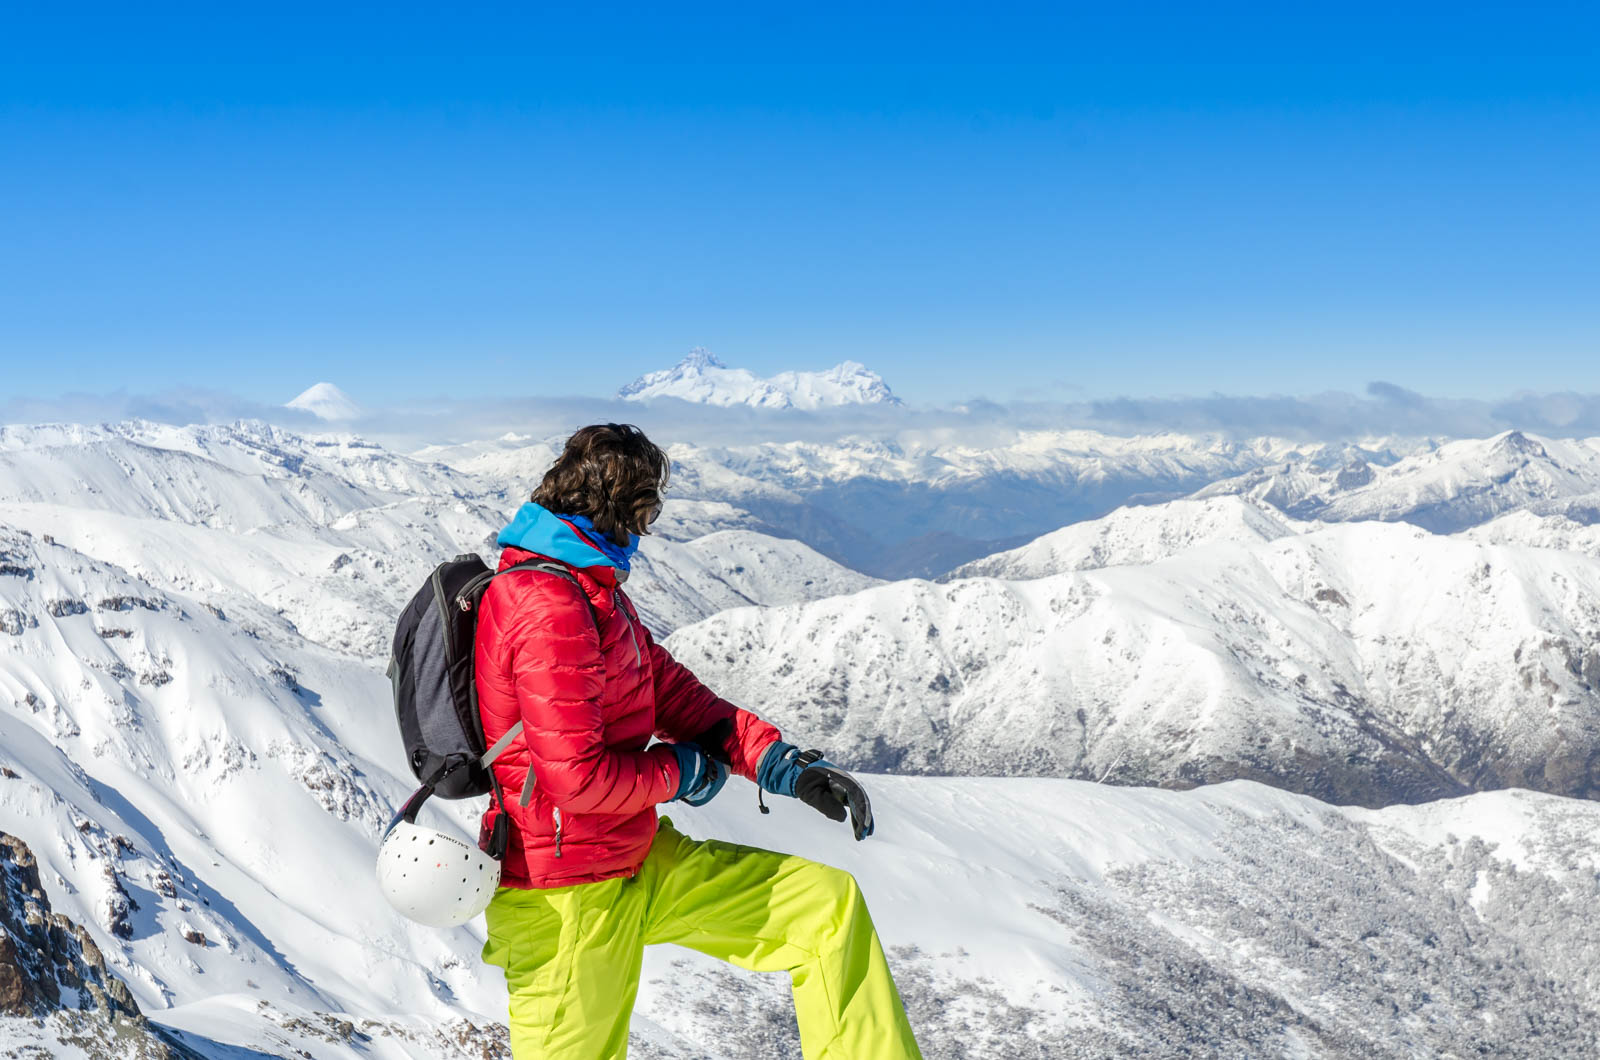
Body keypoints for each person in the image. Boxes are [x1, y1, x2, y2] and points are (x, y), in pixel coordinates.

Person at [473, 423, 924, 1059]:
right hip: (565, 898)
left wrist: (784, 768)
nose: (647, 526)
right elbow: (574, 780)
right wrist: (680, 774)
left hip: (636, 857)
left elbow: (678, 699)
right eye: (646, 507)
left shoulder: (593, 595)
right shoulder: (548, 606)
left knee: (825, 910)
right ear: (619, 503)